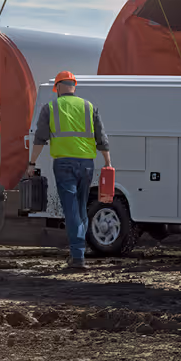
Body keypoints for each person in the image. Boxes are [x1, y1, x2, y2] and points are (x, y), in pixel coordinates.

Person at [24, 70, 111, 270]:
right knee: (81, 208)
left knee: (71, 209)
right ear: (74, 87)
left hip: (64, 164)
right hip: (87, 164)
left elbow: (40, 139)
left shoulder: (51, 108)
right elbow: (102, 137)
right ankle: (78, 252)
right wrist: (108, 163)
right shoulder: (88, 106)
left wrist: (32, 164)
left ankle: (78, 255)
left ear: (58, 87)